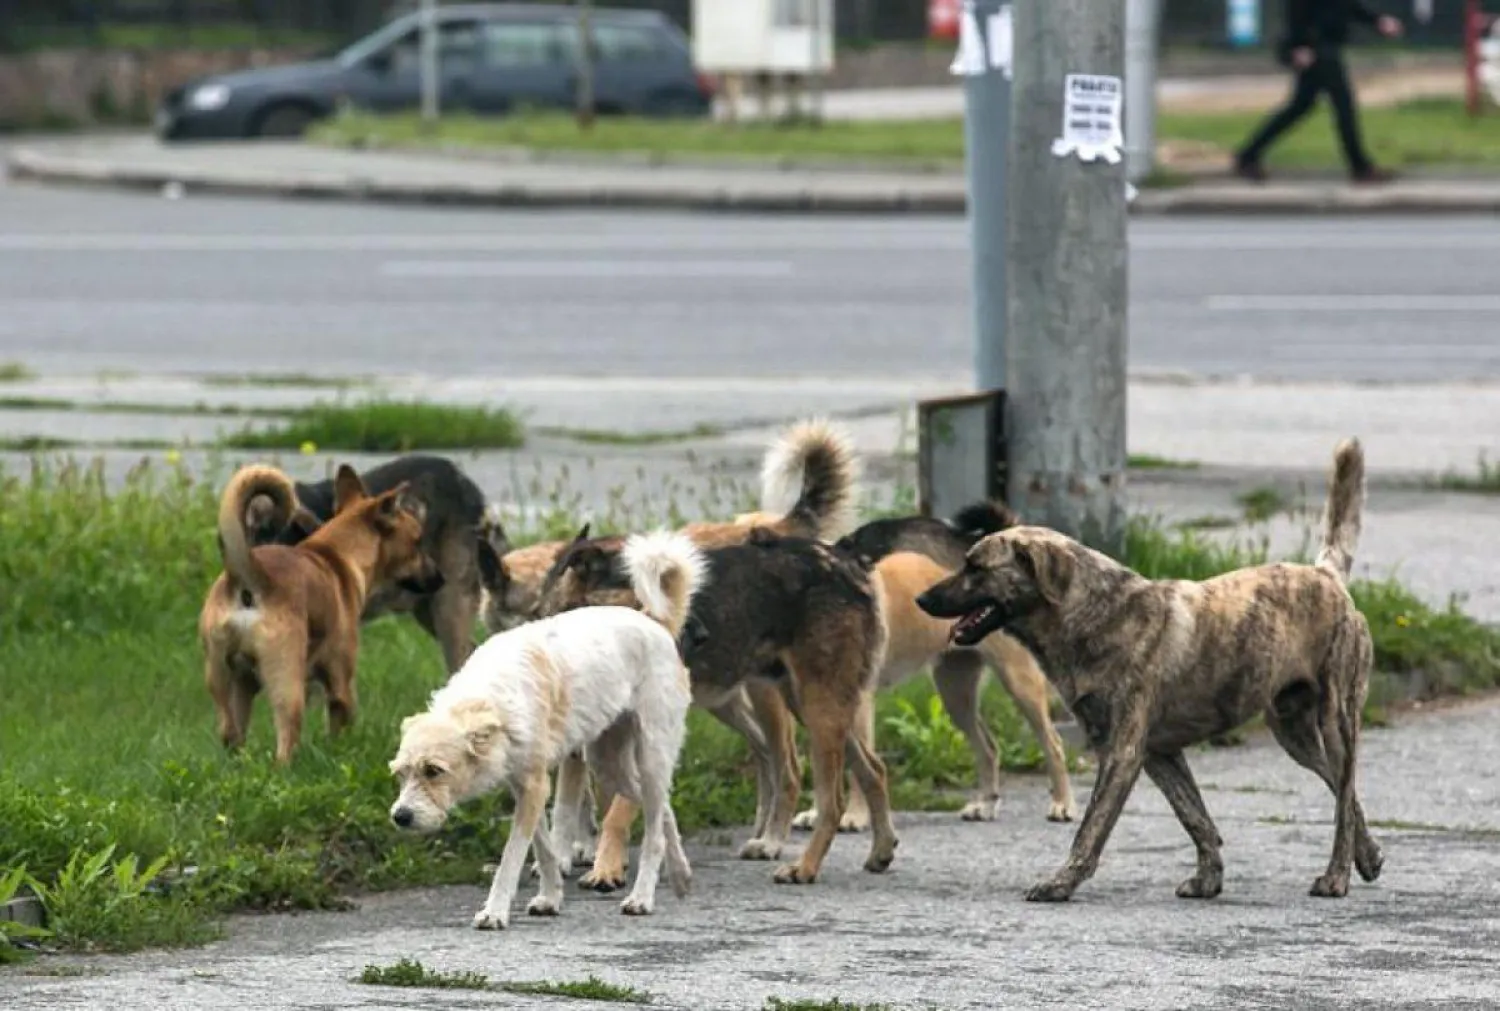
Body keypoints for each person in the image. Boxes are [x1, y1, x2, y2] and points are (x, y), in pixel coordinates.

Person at [1234, 0, 1405, 184]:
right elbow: (1297, 8)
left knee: (1300, 106)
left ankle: (1248, 155)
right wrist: (1299, 45)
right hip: (1317, 47)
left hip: (1323, 45)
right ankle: (1360, 167)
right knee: (1343, 106)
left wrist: (1377, 20)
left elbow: (1346, 6)